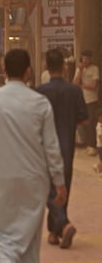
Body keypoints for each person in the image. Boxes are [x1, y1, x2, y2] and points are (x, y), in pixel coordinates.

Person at [0, 49, 67, 263]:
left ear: (4, 69)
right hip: (34, 181)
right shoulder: (40, 103)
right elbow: (51, 148)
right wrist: (59, 182)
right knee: (29, 239)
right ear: (28, 72)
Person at [37, 48, 87, 248]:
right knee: (62, 186)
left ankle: (62, 226)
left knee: (49, 188)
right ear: (64, 67)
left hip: (44, 147)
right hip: (67, 146)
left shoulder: (40, 91)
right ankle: (55, 230)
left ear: (46, 67)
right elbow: (84, 120)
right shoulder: (75, 91)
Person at [72, 49, 99, 155]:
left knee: (91, 122)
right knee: (83, 123)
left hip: (91, 99)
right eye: (84, 58)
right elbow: (74, 83)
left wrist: (82, 86)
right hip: (81, 99)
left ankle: (92, 145)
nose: (86, 60)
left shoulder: (94, 69)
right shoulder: (79, 69)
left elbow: (93, 86)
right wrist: (80, 71)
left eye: (88, 58)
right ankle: (87, 143)